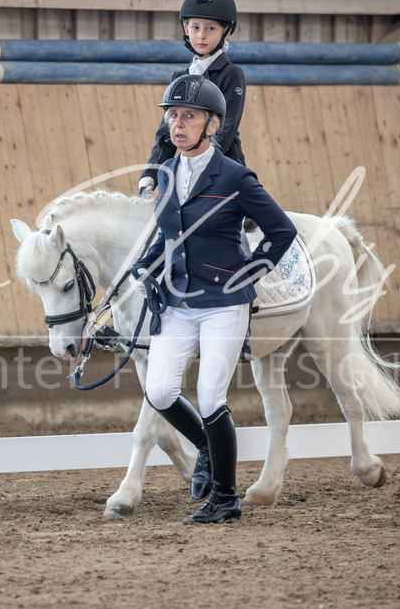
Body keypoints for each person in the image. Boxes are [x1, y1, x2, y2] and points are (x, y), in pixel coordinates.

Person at [132, 74, 297, 524]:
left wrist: (252, 270)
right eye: (173, 116)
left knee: (210, 398)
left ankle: (226, 498)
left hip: (224, 303)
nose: (178, 124)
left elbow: (281, 230)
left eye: (189, 116)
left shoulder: (235, 176)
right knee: (159, 391)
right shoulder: (167, 174)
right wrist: (145, 264)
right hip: (177, 301)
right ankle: (208, 446)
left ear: (212, 125)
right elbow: (168, 235)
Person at [137, 0, 246, 196]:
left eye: (210, 29)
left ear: (227, 31)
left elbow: (224, 132)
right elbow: (168, 132)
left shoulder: (231, 75)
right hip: (187, 168)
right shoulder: (180, 78)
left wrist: (193, 167)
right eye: (195, 27)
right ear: (186, 29)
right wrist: (151, 173)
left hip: (223, 170)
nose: (201, 36)